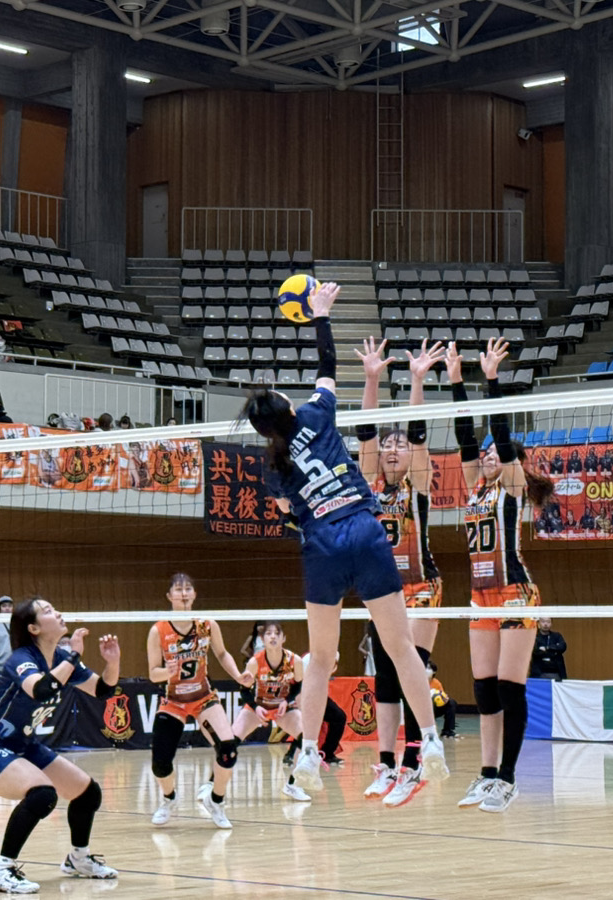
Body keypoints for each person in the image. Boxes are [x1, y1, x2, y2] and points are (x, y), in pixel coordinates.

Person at [241, 282, 448, 799]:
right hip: (364, 528)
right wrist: (321, 314)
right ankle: (431, 742)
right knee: (401, 649)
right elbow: (328, 362)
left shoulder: (273, 465)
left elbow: (286, 514)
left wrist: (306, 513)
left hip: (323, 545)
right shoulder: (316, 414)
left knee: (321, 658)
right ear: (288, 407)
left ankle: (309, 752)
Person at [448, 336, 555, 814]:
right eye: (487, 453)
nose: (488, 455)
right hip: (481, 595)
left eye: (496, 452)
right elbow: (465, 438)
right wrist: (456, 381)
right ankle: (488, 773)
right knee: (484, 689)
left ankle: (508, 779)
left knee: (510, 689)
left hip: (515, 592)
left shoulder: (512, 487)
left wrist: (491, 379)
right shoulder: (475, 485)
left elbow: (499, 432)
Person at [0, 599, 120, 891]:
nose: (58, 612)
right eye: (48, 611)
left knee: (87, 793)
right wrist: (74, 655)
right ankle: (0, 870)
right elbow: (40, 689)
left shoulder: (61, 657)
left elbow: (102, 690)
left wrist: (112, 662)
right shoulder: (21, 658)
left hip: (24, 745)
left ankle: (78, 859)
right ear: (34, 628)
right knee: (42, 795)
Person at [355, 335, 448, 806]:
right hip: (382, 589)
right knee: (385, 678)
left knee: (412, 665)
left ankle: (414, 765)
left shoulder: (419, 482)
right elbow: (365, 433)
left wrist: (416, 380)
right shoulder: (369, 483)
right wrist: (372, 378)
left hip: (422, 585)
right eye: (388, 445)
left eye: (400, 445)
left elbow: (418, 433)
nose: (393, 450)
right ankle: (388, 764)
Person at [147, 573, 254, 829]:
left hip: (204, 697)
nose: (184, 593)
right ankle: (169, 798)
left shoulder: (207, 624)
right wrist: (167, 672)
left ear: (194, 595)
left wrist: (239, 676)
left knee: (228, 750)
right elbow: (152, 673)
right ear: (169, 596)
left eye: (188, 589)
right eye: (178, 589)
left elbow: (222, 653)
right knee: (160, 763)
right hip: (173, 700)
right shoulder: (158, 630)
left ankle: (216, 800)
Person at [227, 621, 310, 802]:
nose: (273, 636)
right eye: (268, 633)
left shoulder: (294, 660)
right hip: (257, 706)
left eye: (276, 633)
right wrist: (255, 707)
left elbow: (298, 685)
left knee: (306, 738)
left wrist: (287, 701)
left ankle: (293, 785)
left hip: (282, 708)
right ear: (262, 639)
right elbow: (244, 690)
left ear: (283, 638)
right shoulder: (255, 662)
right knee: (229, 743)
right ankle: (211, 785)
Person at [427, 660, 458, 738]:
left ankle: (448, 731)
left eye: (429, 668)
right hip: (421, 708)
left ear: (434, 672)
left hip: (434, 708)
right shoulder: (418, 682)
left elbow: (442, 699)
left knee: (451, 703)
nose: (426, 670)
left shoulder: (436, 683)